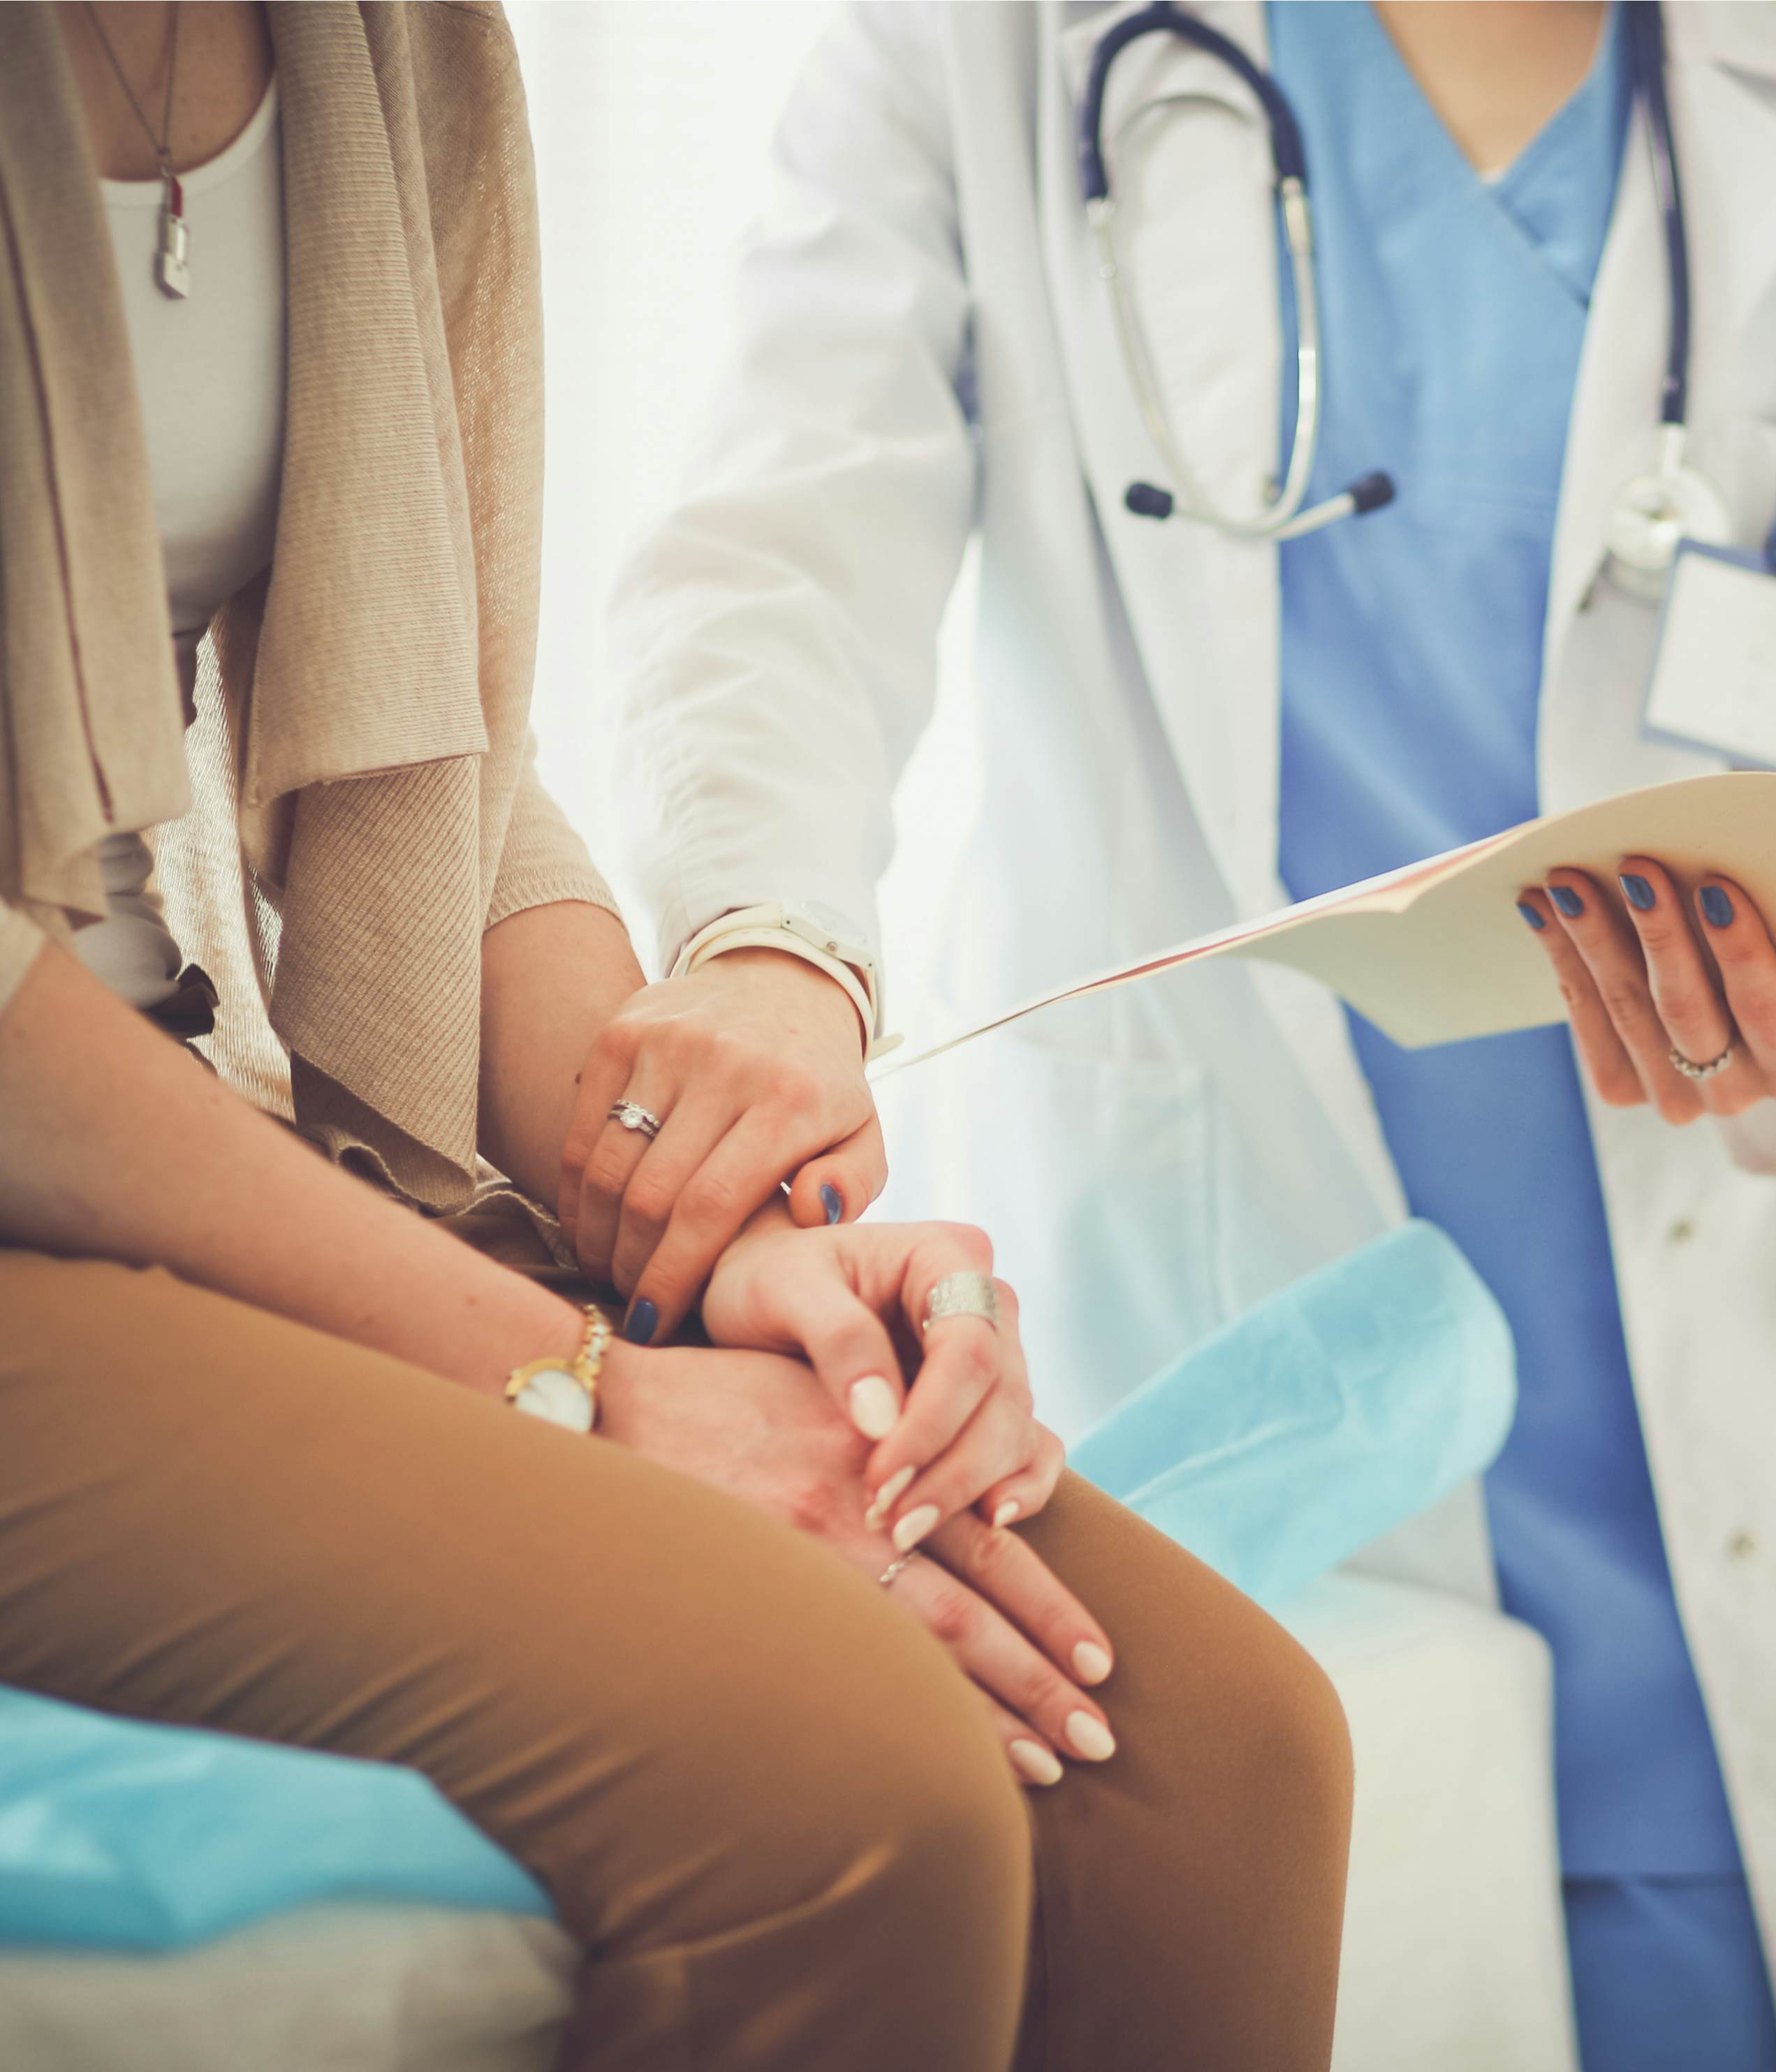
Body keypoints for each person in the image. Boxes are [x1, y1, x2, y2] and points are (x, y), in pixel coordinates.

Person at [607, 2, 1776, 2065]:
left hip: (1755, 1460)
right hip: (1230, 1345)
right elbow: (785, 547)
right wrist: (770, 942)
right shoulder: (993, 40)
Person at [0, 8, 1351, 2070]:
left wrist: (702, 1224)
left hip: (185, 1128)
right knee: (853, 1796)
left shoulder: (391, 49)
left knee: (1225, 1764)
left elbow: (433, 759)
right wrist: (582, 1386)